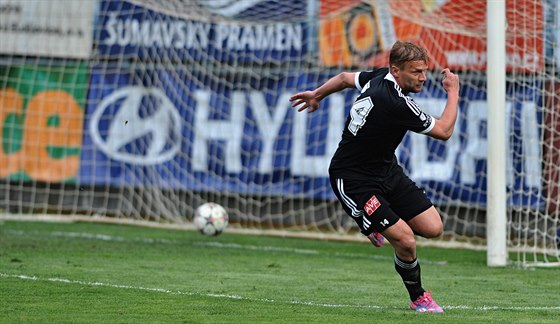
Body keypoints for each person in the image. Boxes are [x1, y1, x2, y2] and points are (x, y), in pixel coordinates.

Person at [289, 40, 459, 313]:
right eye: (416, 71)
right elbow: (444, 131)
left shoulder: (380, 76)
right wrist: (453, 92)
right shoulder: (394, 101)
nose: (424, 78)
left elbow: (345, 78)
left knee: (433, 227)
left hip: (386, 171)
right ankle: (418, 296)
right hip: (353, 178)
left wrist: (317, 94)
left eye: (425, 70)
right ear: (396, 69)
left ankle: (377, 221)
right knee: (405, 240)